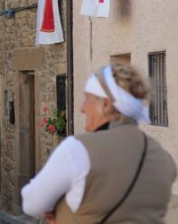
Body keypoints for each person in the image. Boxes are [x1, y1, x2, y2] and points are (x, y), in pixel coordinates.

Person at [21, 64, 177, 224]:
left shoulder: (78, 150)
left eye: (88, 100)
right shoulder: (164, 159)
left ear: (107, 104)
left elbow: (31, 203)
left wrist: (59, 211)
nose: (82, 108)